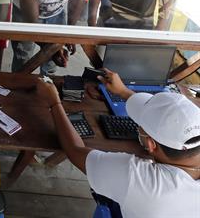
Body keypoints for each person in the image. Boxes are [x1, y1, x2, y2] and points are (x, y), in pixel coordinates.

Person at [36, 70, 200, 218]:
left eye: (140, 127)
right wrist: (123, 91)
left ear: (151, 145)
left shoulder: (140, 180)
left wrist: (54, 103)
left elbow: (75, 151)